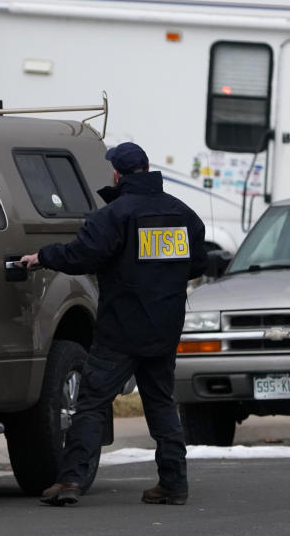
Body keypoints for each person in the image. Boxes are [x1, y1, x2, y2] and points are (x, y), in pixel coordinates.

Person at [19, 141, 207, 507]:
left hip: (120, 329)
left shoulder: (115, 214)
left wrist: (44, 256)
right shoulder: (184, 214)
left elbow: (82, 254)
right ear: (148, 168)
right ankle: (173, 483)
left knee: (91, 403)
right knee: (161, 404)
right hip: (164, 328)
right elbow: (198, 264)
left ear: (118, 174)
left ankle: (71, 480)